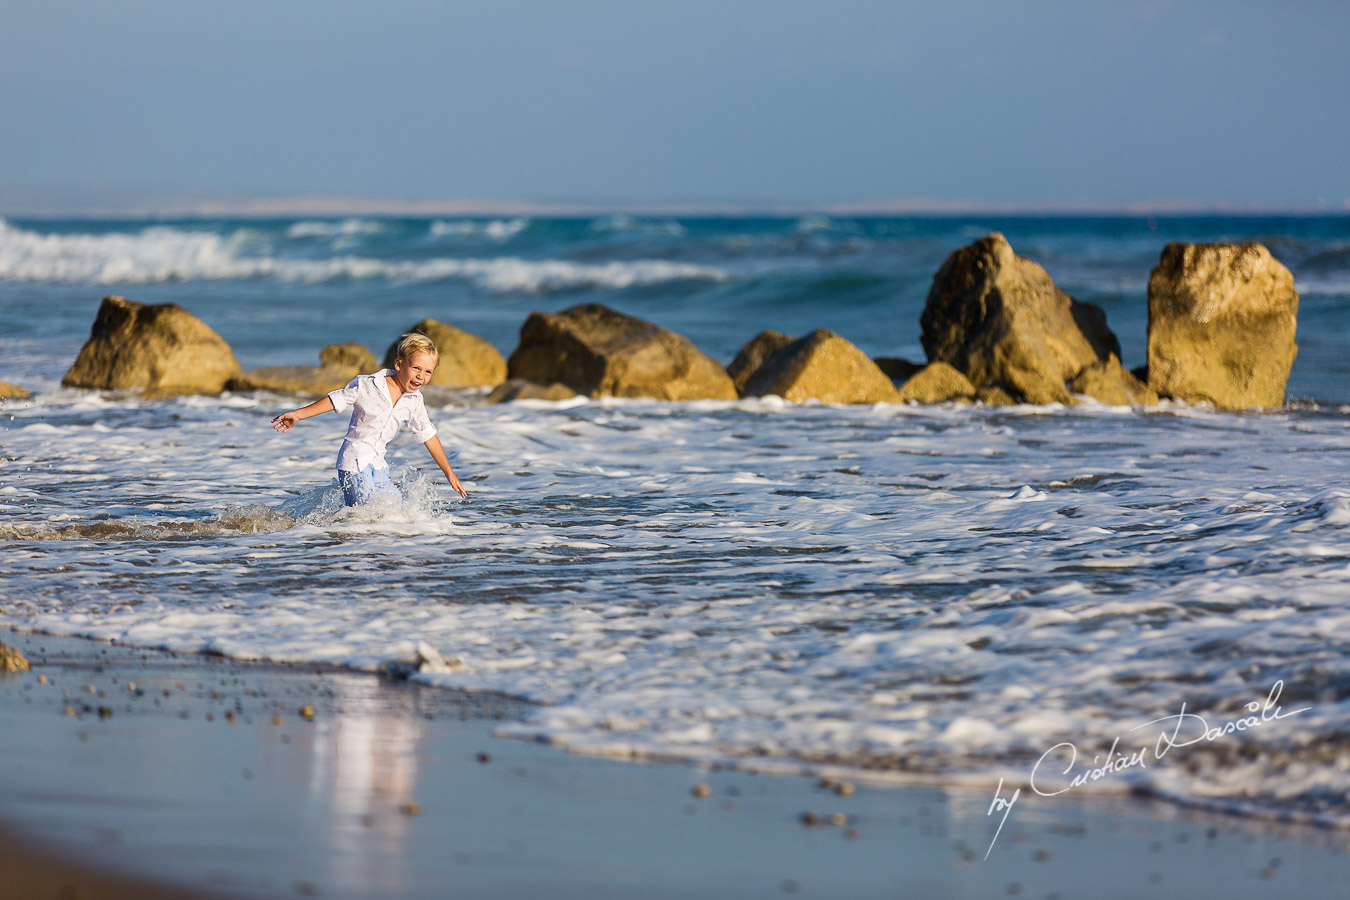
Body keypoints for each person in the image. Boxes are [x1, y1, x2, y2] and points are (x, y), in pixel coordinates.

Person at [271, 333, 468, 505]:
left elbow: (429, 436)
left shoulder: (415, 400)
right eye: (416, 368)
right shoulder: (367, 384)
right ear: (399, 364)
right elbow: (335, 399)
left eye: (428, 372)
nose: (421, 376)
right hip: (354, 461)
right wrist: (298, 414)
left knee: (396, 513)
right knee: (365, 516)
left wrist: (449, 473)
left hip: (379, 464)